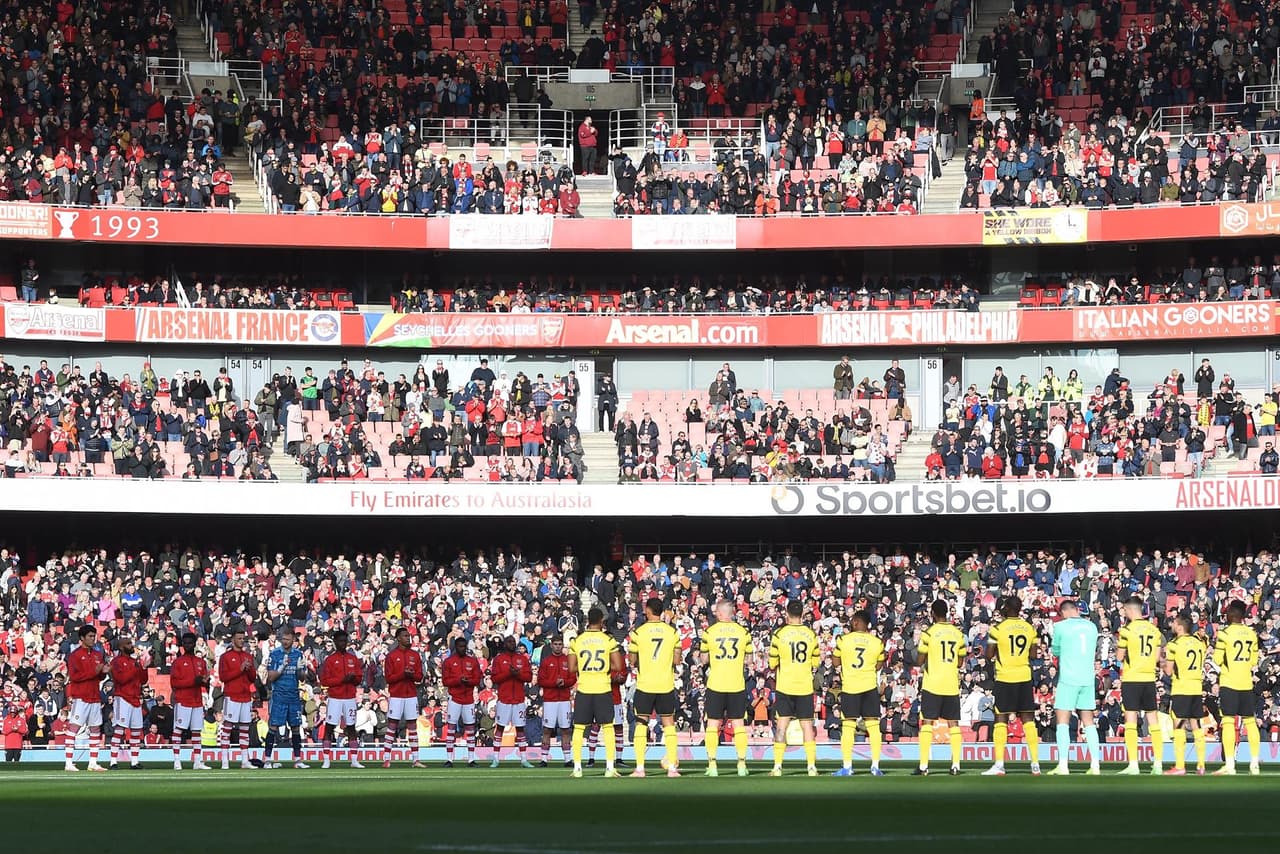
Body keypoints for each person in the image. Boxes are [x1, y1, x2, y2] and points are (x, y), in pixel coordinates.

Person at [983, 596, 1043, 776]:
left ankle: (1000, 764)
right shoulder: (1029, 628)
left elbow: (989, 655)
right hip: (1024, 676)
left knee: (1000, 720)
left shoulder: (997, 629)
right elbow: (1033, 654)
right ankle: (1035, 764)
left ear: (1007, 608)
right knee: (1028, 721)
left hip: (1005, 678)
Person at [699, 599, 753, 777]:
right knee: (739, 725)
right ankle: (742, 764)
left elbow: (704, 659)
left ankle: (712, 764)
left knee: (712, 725)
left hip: (716, 684)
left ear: (721, 613)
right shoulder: (743, 632)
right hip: (736, 684)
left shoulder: (710, 632)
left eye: (716, 612)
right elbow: (749, 660)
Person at [568, 606, 624, 777]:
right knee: (608, 727)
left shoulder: (577, 641)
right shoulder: (608, 641)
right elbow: (618, 666)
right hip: (603, 687)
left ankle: (577, 768)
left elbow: (571, 668)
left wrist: (585, 669)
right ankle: (609, 767)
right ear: (601, 621)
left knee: (578, 728)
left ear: (587, 620)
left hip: (584, 688)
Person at [1047, 599, 1101, 775]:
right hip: (1087, 678)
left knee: (1062, 721)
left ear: (1063, 613)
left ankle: (1063, 765)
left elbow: (1055, 651)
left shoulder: (1061, 627)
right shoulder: (1092, 626)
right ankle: (1095, 765)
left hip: (1069, 678)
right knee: (1089, 722)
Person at [628, 597, 681, 778]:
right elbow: (677, 660)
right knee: (669, 725)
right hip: (665, 684)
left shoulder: (638, 633)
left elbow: (632, 661)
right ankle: (673, 769)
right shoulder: (672, 632)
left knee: (641, 724)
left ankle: (640, 768)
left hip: (645, 685)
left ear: (648, 611)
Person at [768, 598, 820, 776]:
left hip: (785, 685)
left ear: (787, 613)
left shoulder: (779, 634)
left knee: (782, 725)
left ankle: (777, 766)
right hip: (804, 685)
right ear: (802, 614)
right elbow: (816, 661)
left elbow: (772, 663)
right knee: (807, 726)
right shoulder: (811, 634)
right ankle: (811, 766)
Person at [914, 599, 966, 776]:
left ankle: (923, 766)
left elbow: (919, 660)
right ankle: (956, 765)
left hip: (932, 684)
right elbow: (960, 662)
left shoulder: (928, 633)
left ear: (933, 614)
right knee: (954, 725)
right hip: (951, 683)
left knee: (927, 722)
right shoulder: (957, 633)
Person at [831, 609, 886, 776]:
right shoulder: (877, 642)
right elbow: (879, 665)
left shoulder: (843, 640)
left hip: (850, 687)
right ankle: (875, 766)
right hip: (869, 686)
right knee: (874, 727)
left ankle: (847, 767)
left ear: (855, 622)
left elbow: (835, 662)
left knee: (848, 727)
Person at [1116, 596, 1164, 775]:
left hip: (1132, 679)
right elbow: (1158, 658)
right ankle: (1158, 764)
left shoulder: (1127, 630)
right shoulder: (1154, 630)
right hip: (1149, 679)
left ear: (1129, 610)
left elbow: (1119, 658)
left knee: (1130, 721)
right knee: (1154, 722)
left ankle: (1134, 765)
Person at [1213, 599, 1261, 775]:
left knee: (1227, 721)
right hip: (1246, 684)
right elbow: (1254, 661)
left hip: (1229, 682)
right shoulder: (1251, 634)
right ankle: (1254, 763)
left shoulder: (1224, 634)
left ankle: (1230, 764)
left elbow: (1217, 660)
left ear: (1231, 614)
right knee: (1250, 721)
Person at [1164, 615, 1207, 776]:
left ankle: (1180, 766)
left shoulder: (1174, 644)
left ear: (1180, 627)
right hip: (1196, 687)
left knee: (1179, 726)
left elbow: (1168, 671)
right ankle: (1201, 765)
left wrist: (1162, 662)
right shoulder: (1198, 643)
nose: (1172, 625)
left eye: (1174, 623)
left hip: (1181, 688)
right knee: (1196, 726)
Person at [262, 627, 309, 770]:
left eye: (288, 639)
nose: (285, 642)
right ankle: (268, 759)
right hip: (279, 696)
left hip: (293, 695)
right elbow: (270, 677)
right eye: (283, 639)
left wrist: (301, 670)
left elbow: (301, 678)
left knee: (295, 727)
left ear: (293, 640)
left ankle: (298, 760)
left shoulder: (298, 654)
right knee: (274, 727)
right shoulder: (275, 654)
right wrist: (282, 667)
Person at [319, 629, 365, 769]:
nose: (342, 643)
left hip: (350, 697)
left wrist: (353, 679)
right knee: (329, 727)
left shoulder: (353, 659)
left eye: (344, 641)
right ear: (335, 642)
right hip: (335, 698)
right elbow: (324, 681)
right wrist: (342, 680)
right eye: (340, 641)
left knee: (351, 728)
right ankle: (326, 760)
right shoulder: (330, 660)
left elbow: (359, 679)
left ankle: (354, 760)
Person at [64, 625, 107, 772]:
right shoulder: (75, 655)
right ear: (82, 638)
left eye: (94, 636)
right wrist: (94, 672)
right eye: (89, 636)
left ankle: (93, 762)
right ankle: (68, 763)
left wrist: (103, 673)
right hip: (81, 696)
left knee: (95, 729)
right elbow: (74, 677)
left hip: (95, 696)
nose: (92, 639)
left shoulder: (97, 654)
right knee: (74, 728)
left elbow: (99, 676)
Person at [381, 626, 425, 768]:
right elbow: (389, 678)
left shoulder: (415, 655)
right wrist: (403, 674)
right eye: (405, 636)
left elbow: (420, 676)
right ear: (398, 638)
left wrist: (411, 675)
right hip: (396, 695)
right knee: (392, 726)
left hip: (411, 694)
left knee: (412, 726)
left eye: (409, 636)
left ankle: (416, 759)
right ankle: (386, 759)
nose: (408, 638)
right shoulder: (391, 656)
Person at [217, 626, 259, 770]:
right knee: (228, 727)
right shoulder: (225, 657)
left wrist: (249, 669)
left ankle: (245, 760)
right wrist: (239, 669)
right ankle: (224, 761)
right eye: (239, 638)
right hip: (232, 696)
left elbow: (253, 678)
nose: (242, 641)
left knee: (244, 728)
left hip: (246, 697)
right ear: (233, 639)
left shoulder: (248, 656)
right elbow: (223, 677)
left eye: (243, 639)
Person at [489, 635, 534, 768]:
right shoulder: (499, 659)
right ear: (505, 644)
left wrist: (517, 674)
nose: (511, 644)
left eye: (513, 642)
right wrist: (509, 673)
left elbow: (529, 677)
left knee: (520, 729)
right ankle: (496, 759)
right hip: (504, 699)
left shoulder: (522, 659)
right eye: (509, 642)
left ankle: (524, 759)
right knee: (500, 728)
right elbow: (495, 678)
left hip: (519, 699)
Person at [170, 631, 211, 771]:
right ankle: (177, 761)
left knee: (196, 731)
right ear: (182, 645)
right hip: (183, 700)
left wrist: (206, 682)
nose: (188, 645)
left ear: (194, 644)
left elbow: (204, 681)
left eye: (190, 642)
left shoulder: (201, 662)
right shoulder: (177, 662)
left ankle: (197, 761)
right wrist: (193, 681)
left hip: (197, 700)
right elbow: (174, 683)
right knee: (178, 730)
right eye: (185, 643)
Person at [441, 635, 482, 767]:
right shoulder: (448, 661)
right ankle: (449, 759)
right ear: (456, 647)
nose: (462, 648)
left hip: (469, 699)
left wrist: (467, 681)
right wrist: (458, 680)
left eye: (464, 646)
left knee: (470, 729)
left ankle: (471, 759)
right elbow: (445, 681)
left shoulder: (473, 661)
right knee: (451, 728)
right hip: (454, 699)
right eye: (460, 646)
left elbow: (477, 680)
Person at [537, 635, 576, 767]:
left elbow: (573, 678)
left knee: (566, 729)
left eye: (560, 644)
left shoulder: (567, 660)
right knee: (547, 729)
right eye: (556, 644)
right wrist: (554, 683)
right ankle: (543, 759)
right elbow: (541, 680)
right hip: (550, 700)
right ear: (552, 645)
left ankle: (567, 759)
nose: (558, 646)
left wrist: (564, 682)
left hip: (564, 699)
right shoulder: (546, 661)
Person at [108, 634, 145, 770]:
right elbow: (120, 679)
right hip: (122, 697)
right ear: (122, 647)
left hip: (135, 698)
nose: (131, 646)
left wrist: (144, 667)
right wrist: (135, 668)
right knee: (119, 729)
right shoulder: (116, 662)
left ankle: (134, 761)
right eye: (128, 644)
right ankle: (113, 761)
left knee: (136, 731)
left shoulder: (134, 661)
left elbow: (143, 680)